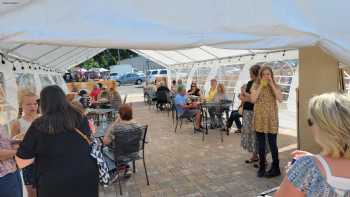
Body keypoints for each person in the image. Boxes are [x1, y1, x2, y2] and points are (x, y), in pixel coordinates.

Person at [15, 85, 99, 197]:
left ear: (44, 103)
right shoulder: (80, 117)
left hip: (54, 183)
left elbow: (21, 161)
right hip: (86, 177)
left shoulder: (39, 125)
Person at [276, 93, 350, 197]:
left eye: (310, 121)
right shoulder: (310, 165)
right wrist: (316, 160)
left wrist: (296, 174)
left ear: (323, 126)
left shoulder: (307, 167)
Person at [251, 66, 282, 178]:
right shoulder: (255, 85)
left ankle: (276, 167)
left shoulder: (276, 85)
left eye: (268, 74)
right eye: (264, 74)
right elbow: (253, 100)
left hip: (271, 118)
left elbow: (280, 98)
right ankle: (262, 166)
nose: (266, 76)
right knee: (261, 144)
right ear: (260, 75)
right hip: (259, 117)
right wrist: (261, 86)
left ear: (271, 75)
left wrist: (272, 84)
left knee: (273, 144)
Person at [10, 90, 39, 197]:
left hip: (44, 160)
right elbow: (13, 144)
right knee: (32, 192)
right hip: (28, 163)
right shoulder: (17, 123)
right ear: (21, 105)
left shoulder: (43, 119)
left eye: (35, 103)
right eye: (28, 104)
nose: (33, 106)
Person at [103, 104, 143, 177]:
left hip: (120, 156)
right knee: (122, 147)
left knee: (103, 149)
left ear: (120, 115)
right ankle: (126, 166)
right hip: (135, 153)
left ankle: (114, 170)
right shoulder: (139, 126)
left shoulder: (117, 128)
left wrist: (115, 122)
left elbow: (105, 141)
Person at [240, 65, 261, 165]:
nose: (250, 75)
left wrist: (245, 93)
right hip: (247, 111)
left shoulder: (260, 84)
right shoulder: (249, 83)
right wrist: (243, 94)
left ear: (255, 73)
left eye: (251, 73)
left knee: (256, 134)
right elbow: (245, 98)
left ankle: (258, 155)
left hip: (256, 112)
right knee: (250, 133)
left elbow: (255, 99)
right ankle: (254, 155)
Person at [0, 129, 23, 197]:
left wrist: (15, 142)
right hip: (3, 177)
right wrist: (19, 151)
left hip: (13, 170)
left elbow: (4, 144)